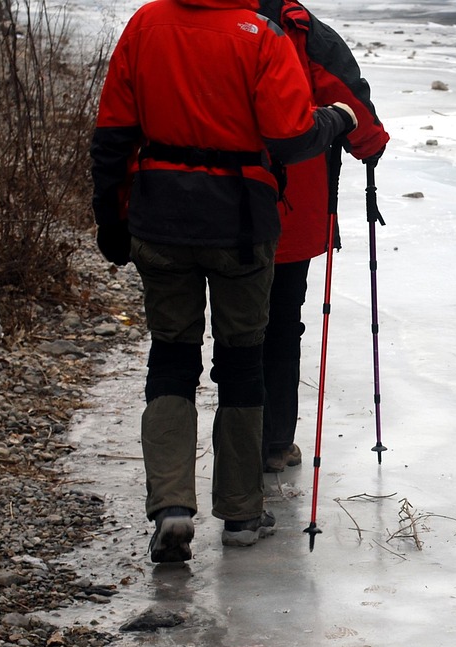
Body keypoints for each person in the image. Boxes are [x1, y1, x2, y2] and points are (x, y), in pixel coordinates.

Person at [91, 0, 356, 563]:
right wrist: (338, 119)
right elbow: (290, 136)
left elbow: (112, 134)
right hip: (240, 223)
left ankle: (171, 506)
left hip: (160, 217)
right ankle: (240, 513)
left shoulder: (145, 24)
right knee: (241, 360)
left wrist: (110, 218)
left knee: (171, 356)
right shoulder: (261, 35)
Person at [259, 0, 389, 474]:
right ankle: (273, 442)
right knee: (280, 321)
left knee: (227, 326)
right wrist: (369, 144)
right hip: (287, 207)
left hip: (196, 205)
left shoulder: (180, 20)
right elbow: (348, 99)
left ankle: (232, 445)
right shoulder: (300, 29)